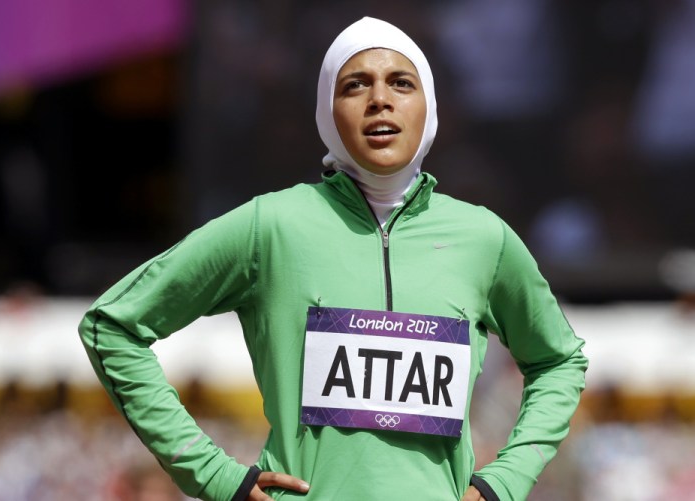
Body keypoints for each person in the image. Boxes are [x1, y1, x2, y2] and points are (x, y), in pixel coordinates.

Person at [79, 17, 588, 501]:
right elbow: (113, 327)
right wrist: (211, 474)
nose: (380, 100)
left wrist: (507, 479)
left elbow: (560, 360)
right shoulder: (271, 226)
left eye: (401, 83)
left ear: (430, 106)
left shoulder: (484, 238)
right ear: (327, 110)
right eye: (355, 85)